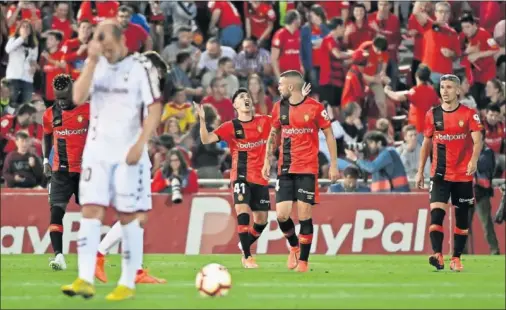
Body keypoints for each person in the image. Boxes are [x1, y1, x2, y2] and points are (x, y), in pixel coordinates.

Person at [60, 20, 162, 300]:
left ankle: (127, 282)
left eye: (106, 41)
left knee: (128, 215)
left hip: (126, 153)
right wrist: (91, 62)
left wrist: (140, 144)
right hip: (96, 152)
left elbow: (155, 108)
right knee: (90, 210)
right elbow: (77, 98)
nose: (103, 46)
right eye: (98, 40)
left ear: (121, 42)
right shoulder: (96, 66)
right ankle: (84, 278)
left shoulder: (140, 67)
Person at [92, 51, 169, 286]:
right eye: (158, 73)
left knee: (137, 215)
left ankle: (134, 270)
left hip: (134, 152)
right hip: (132, 154)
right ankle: (98, 254)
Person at [261, 70, 338, 272]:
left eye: (280, 84)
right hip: (285, 167)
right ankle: (294, 247)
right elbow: (273, 133)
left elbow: (329, 135)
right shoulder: (279, 108)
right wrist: (267, 160)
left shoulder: (315, 108)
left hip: (307, 168)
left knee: (304, 215)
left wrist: (334, 165)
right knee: (282, 215)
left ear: (291, 87)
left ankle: (303, 262)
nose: (278, 88)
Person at [197, 88, 273, 268]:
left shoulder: (265, 121)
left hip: (260, 177)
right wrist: (201, 120)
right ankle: (247, 256)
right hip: (240, 175)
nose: (245, 98)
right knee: (242, 211)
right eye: (241, 97)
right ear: (235, 105)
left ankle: (244, 243)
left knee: (261, 221)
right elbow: (206, 139)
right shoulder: (230, 126)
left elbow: (285, 124)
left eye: (247, 96)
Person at [415, 74, 483, 272]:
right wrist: (420, 171)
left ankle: (456, 258)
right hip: (439, 174)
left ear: (458, 91)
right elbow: (426, 143)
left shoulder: (469, 114)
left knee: (462, 221)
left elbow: (478, 140)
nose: (445, 91)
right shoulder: (432, 114)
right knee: (436, 214)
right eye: (442, 87)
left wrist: (473, 160)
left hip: (463, 174)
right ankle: (438, 255)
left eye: (449, 87)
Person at [42, 74, 89, 271]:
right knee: (56, 212)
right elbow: (46, 136)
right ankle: (59, 256)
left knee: (90, 212)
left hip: (85, 171)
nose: (61, 103)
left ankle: (91, 254)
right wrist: (45, 159)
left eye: (65, 98)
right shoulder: (49, 114)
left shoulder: (88, 110)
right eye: (58, 99)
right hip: (59, 171)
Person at [384, 65, 440, 144]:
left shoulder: (416, 91)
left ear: (416, 76)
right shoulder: (432, 91)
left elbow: (398, 97)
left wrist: (387, 91)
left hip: (417, 130)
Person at [345, 130, 410, 192]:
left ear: (379, 143)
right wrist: (360, 158)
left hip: (397, 193)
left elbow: (372, 168)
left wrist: (355, 159)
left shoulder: (388, 152)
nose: (368, 146)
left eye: (370, 143)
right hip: (389, 195)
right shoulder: (380, 156)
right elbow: (366, 171)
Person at [467, 132, 499, 255]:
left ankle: (494, 250)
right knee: (464, 225)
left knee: (486, 224)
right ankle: (462, 253)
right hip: (467, 191)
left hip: (482, 192)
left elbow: (481, 166)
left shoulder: (487, 152)